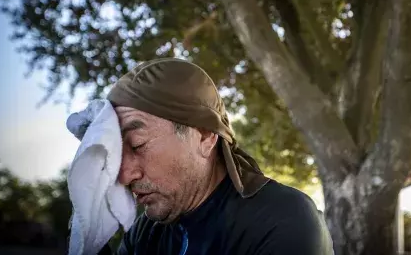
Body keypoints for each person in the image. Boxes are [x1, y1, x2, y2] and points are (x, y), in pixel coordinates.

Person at [103, 58, 333, 255]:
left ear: (205, 137)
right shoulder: (145, 233)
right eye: (117, 153)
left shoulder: (282, 221)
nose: (124, 175)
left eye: (137, 144)